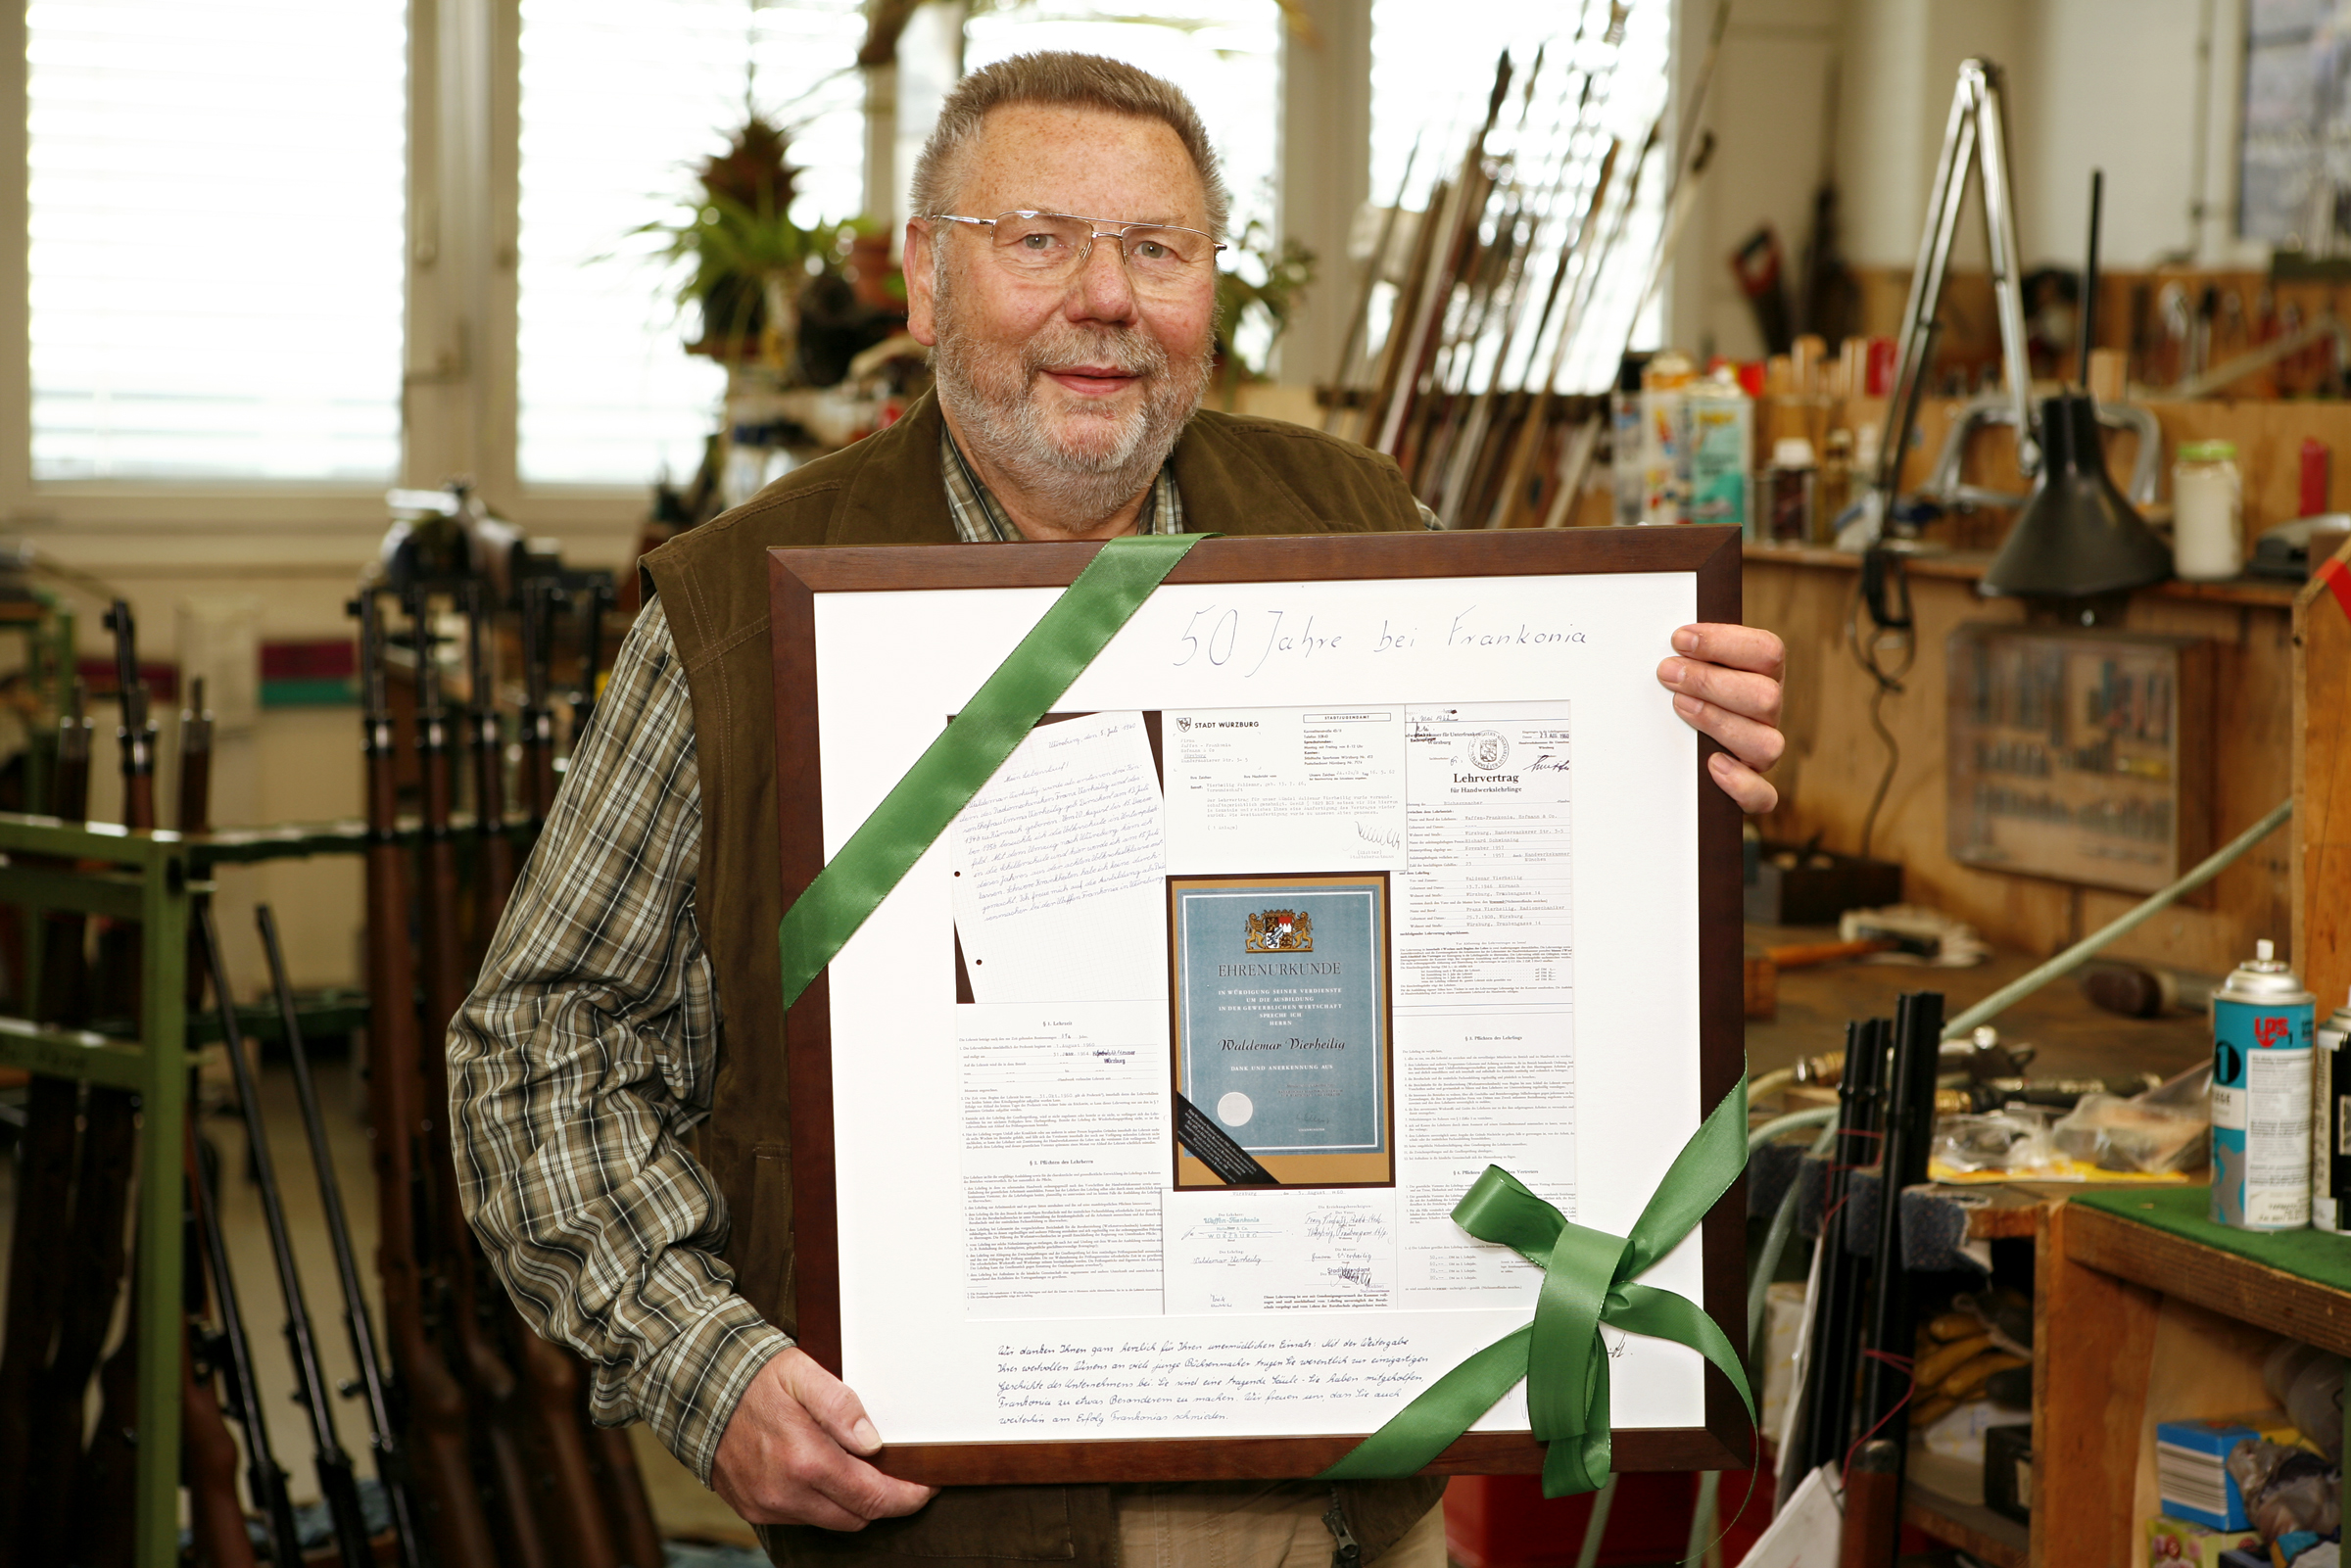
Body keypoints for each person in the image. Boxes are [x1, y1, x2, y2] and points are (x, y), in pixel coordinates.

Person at [450, 50, 1786, 1568]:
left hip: (1350, 1506)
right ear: (924, 280)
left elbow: (1506, 919)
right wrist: (710, 1369)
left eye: (1158, 249)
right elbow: (535, 1056)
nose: (1105, 299)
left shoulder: (1368, 531)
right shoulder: (731, 617)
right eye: (1038, 240)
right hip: (942, 1527)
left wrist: (1675, 759)